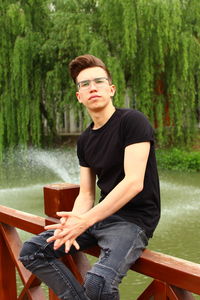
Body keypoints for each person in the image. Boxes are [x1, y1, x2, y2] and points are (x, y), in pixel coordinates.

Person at [19, 54, 160, 300]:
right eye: (84, 84)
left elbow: (134, 182)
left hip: (133, 221)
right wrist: (73, 221)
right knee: (32, 251)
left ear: (111, 89)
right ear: (79, 96)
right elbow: (86, 194)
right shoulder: (85, 140)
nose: (92, 87)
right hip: (100, 217)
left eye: (98, 81)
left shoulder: (132, 122)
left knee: (98, 283)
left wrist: (84, 221)